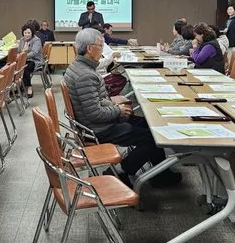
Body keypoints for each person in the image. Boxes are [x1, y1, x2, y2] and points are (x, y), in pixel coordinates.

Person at [63, 28, 182, 188]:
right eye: (101, 45)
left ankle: (161, 174)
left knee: (149, 126)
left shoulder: (78, 66)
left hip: (94, 124)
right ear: (90, 48)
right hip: (98, 129)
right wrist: (118, 110)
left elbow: (98, 101)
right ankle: (120, 171)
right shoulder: (85, 75)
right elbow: (94, 113)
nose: (103, 49)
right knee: (152, 137)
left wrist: (114, 106)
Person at [17, 21, 44, 98]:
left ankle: (29, 87)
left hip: (35, 60)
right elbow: (19, 51)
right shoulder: (22, 40)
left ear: (32, 33)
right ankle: (18, 87)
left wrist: (22, 57)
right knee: (14, 67)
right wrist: (20, 56)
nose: (27, 35)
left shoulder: (36, 40)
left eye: (29, 33)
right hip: (23, 60)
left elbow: (34, 53)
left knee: (26, 68)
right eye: (25, 33)